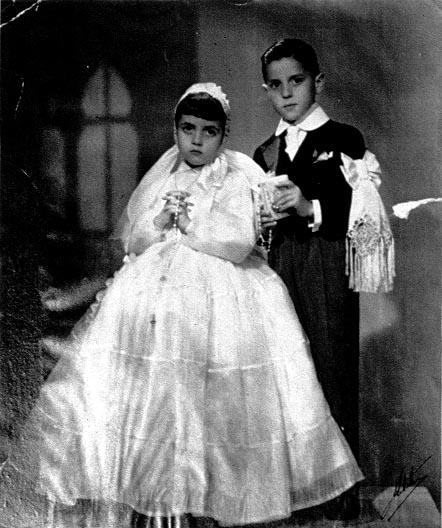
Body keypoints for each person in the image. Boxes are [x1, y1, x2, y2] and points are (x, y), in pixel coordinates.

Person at [1, 83, 364, 528]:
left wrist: (191, 226)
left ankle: (207, 496)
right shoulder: (165, 175)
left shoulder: (237, 176)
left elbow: (239, 243)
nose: (196, 141)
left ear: (223, 135)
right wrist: (158, 223)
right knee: (151, 385)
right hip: (156, 286)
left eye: (209, 132)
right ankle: (153, 492)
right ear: (176, 130)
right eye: (188, 129)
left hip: (220, 288)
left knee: (211, 384)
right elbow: (134, 240)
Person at [253, 39, 394, 518]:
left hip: (327, 261)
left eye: (296, 81)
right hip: (278, 266)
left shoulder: (344, 138)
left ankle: (339, 496)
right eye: (275, 85)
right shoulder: (265, 151)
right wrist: (261, 221)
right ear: (266, 91)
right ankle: (296, 492)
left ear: (318, 82)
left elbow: (363, 207)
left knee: (331, 363)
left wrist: (309, 206)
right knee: (286, 370)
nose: (286, 93)